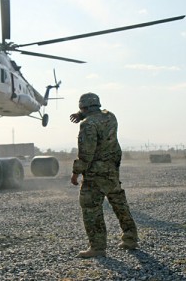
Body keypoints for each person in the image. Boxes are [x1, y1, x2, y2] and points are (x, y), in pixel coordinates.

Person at [70, 92, 138, 258]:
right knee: (119, 204)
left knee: (91, 209)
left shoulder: (87, 125)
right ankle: (131, 238)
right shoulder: (111, 117)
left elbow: (86, 153)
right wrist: (82, 114)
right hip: (112, 170)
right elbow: (100, 115)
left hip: (95, 174)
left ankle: (97, 247)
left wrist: (76, 172)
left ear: (83, 107)